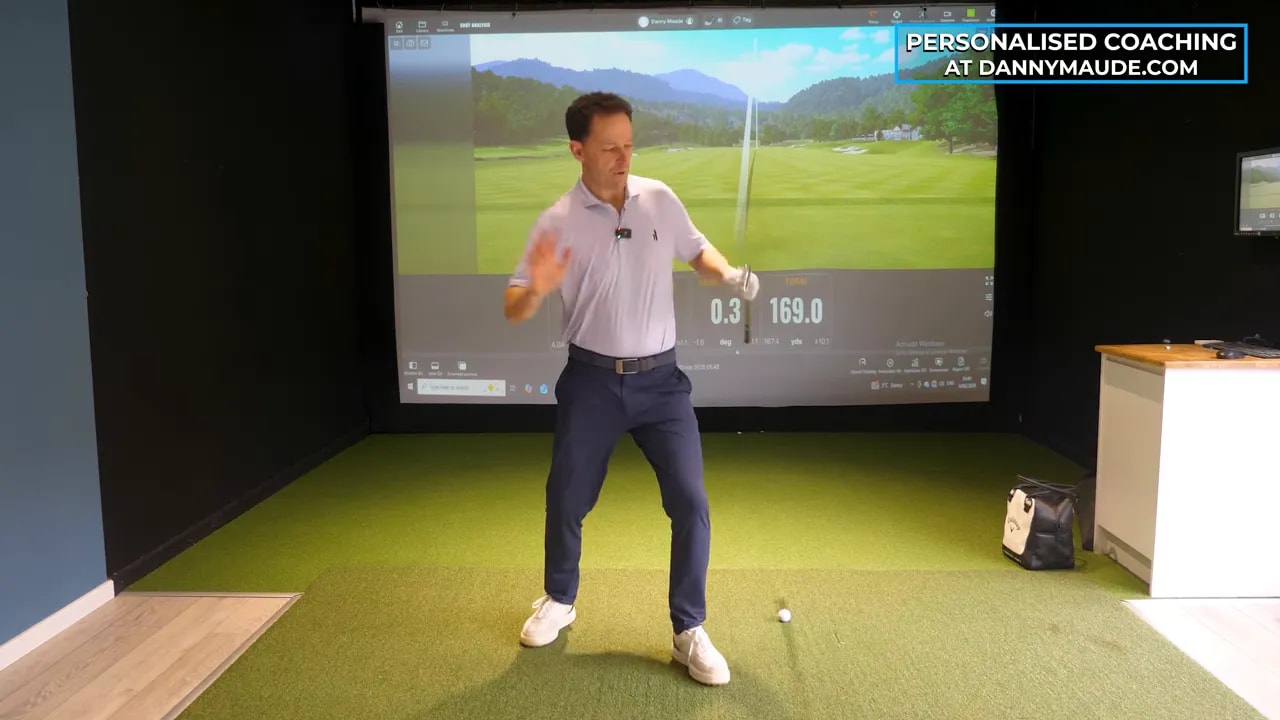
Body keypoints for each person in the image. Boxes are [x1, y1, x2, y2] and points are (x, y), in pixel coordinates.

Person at [502, 91, 758, 686]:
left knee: (690, 502)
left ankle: (689, 629)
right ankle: (560, 599)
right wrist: (536, 287)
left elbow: (698, 252)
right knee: (567, 496)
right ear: (577, 150)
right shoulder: (558, 220)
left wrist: (728, 274)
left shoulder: (659, 199)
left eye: (629, 145)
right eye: (609, 148)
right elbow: (515, 303)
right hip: (590, 380)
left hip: (662, 384)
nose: (624, 157)